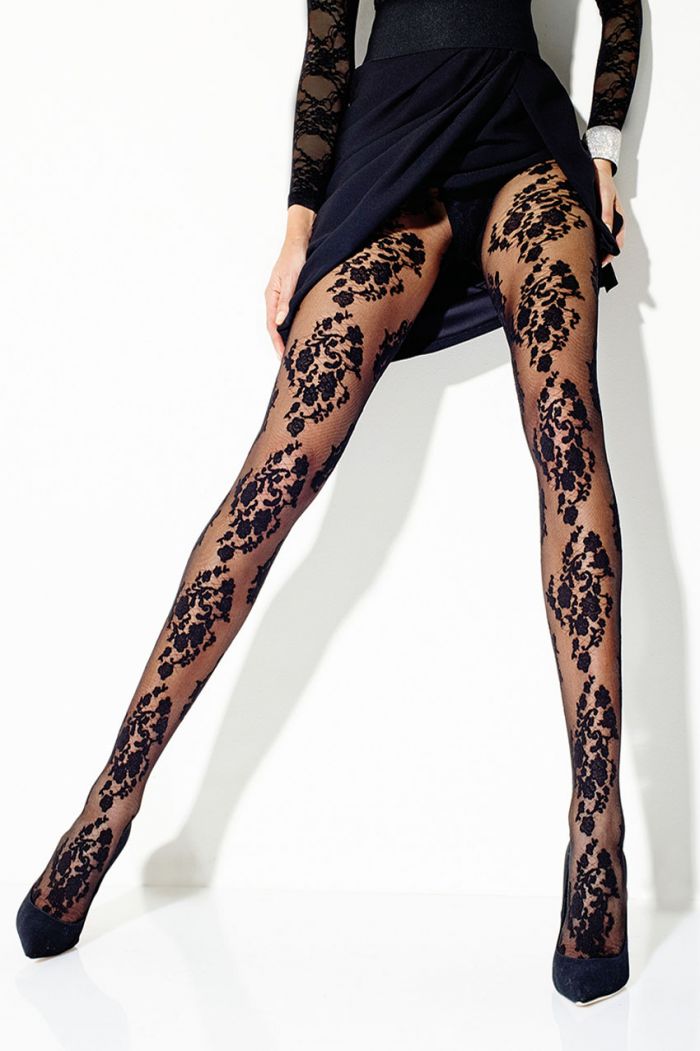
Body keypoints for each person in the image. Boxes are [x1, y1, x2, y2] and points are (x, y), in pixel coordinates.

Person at [16, 0, 642, 1007]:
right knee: (276, 476)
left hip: (522, 139)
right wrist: (299, 224)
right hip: (392, 150)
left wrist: (603, 153)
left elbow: (622, 5)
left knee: (568, 435)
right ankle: (109, 804)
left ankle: (596, 828)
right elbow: (325, 44)